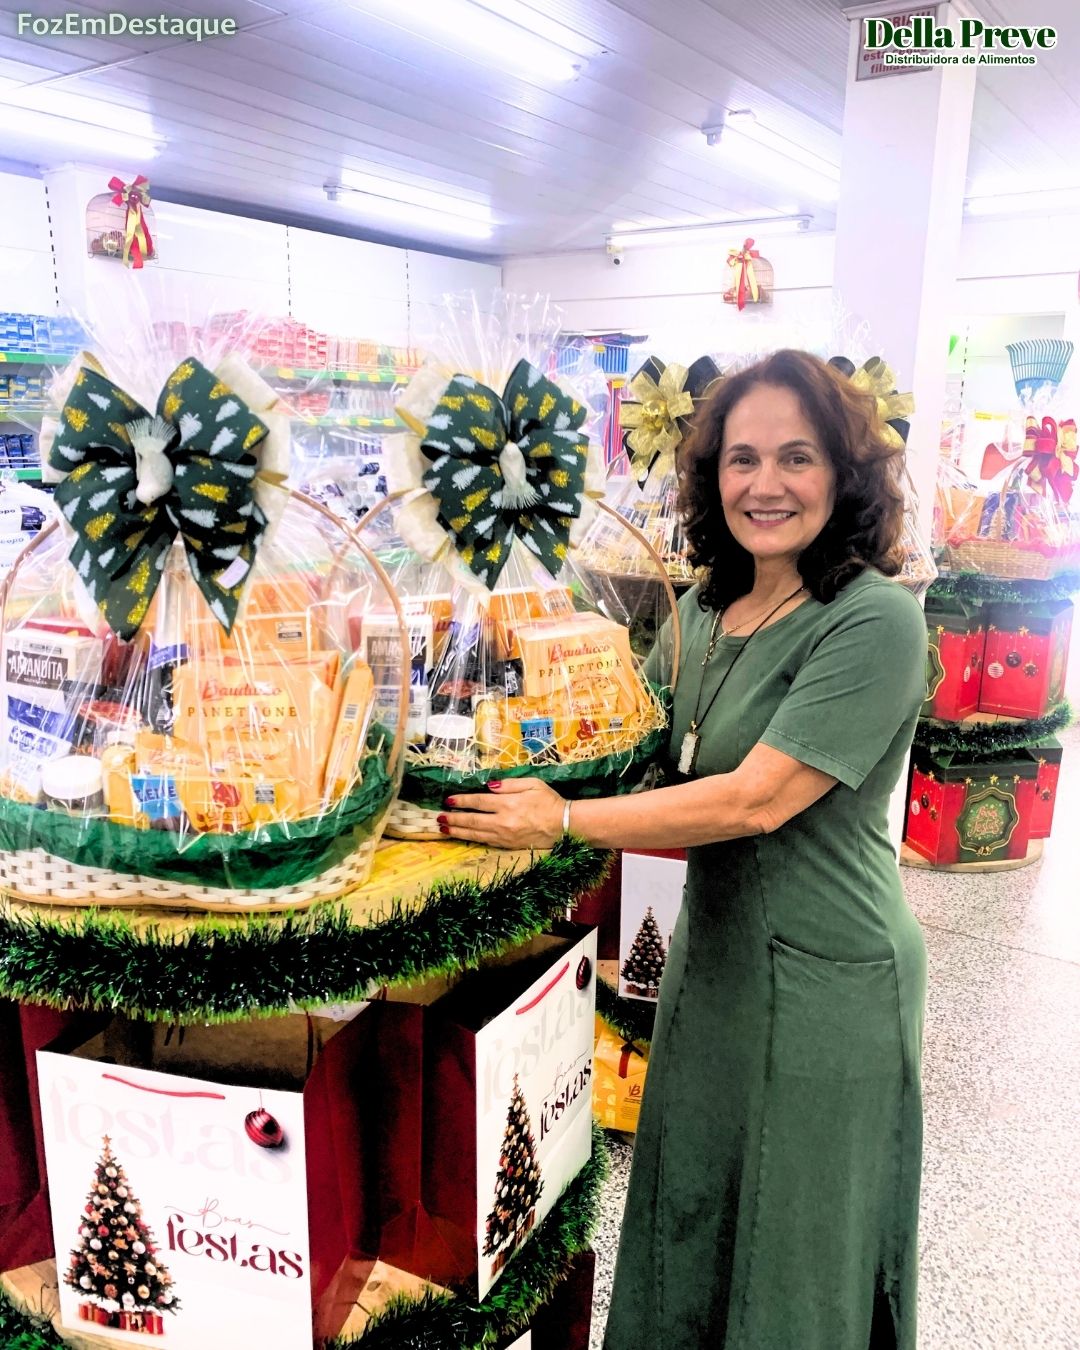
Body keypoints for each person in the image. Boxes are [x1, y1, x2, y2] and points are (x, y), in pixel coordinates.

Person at [438, 349, 929, 1350]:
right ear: (711, 477)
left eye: (797, 457)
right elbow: (630, 747)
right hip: (715, 965)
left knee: (798, 1236)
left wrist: (560, 821)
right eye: (742, 459)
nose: (765, 484)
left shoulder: (874, 619)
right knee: (691, 1203)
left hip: (832, 976)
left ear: (844, 473)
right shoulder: (703, 611)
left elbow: (755, 800)